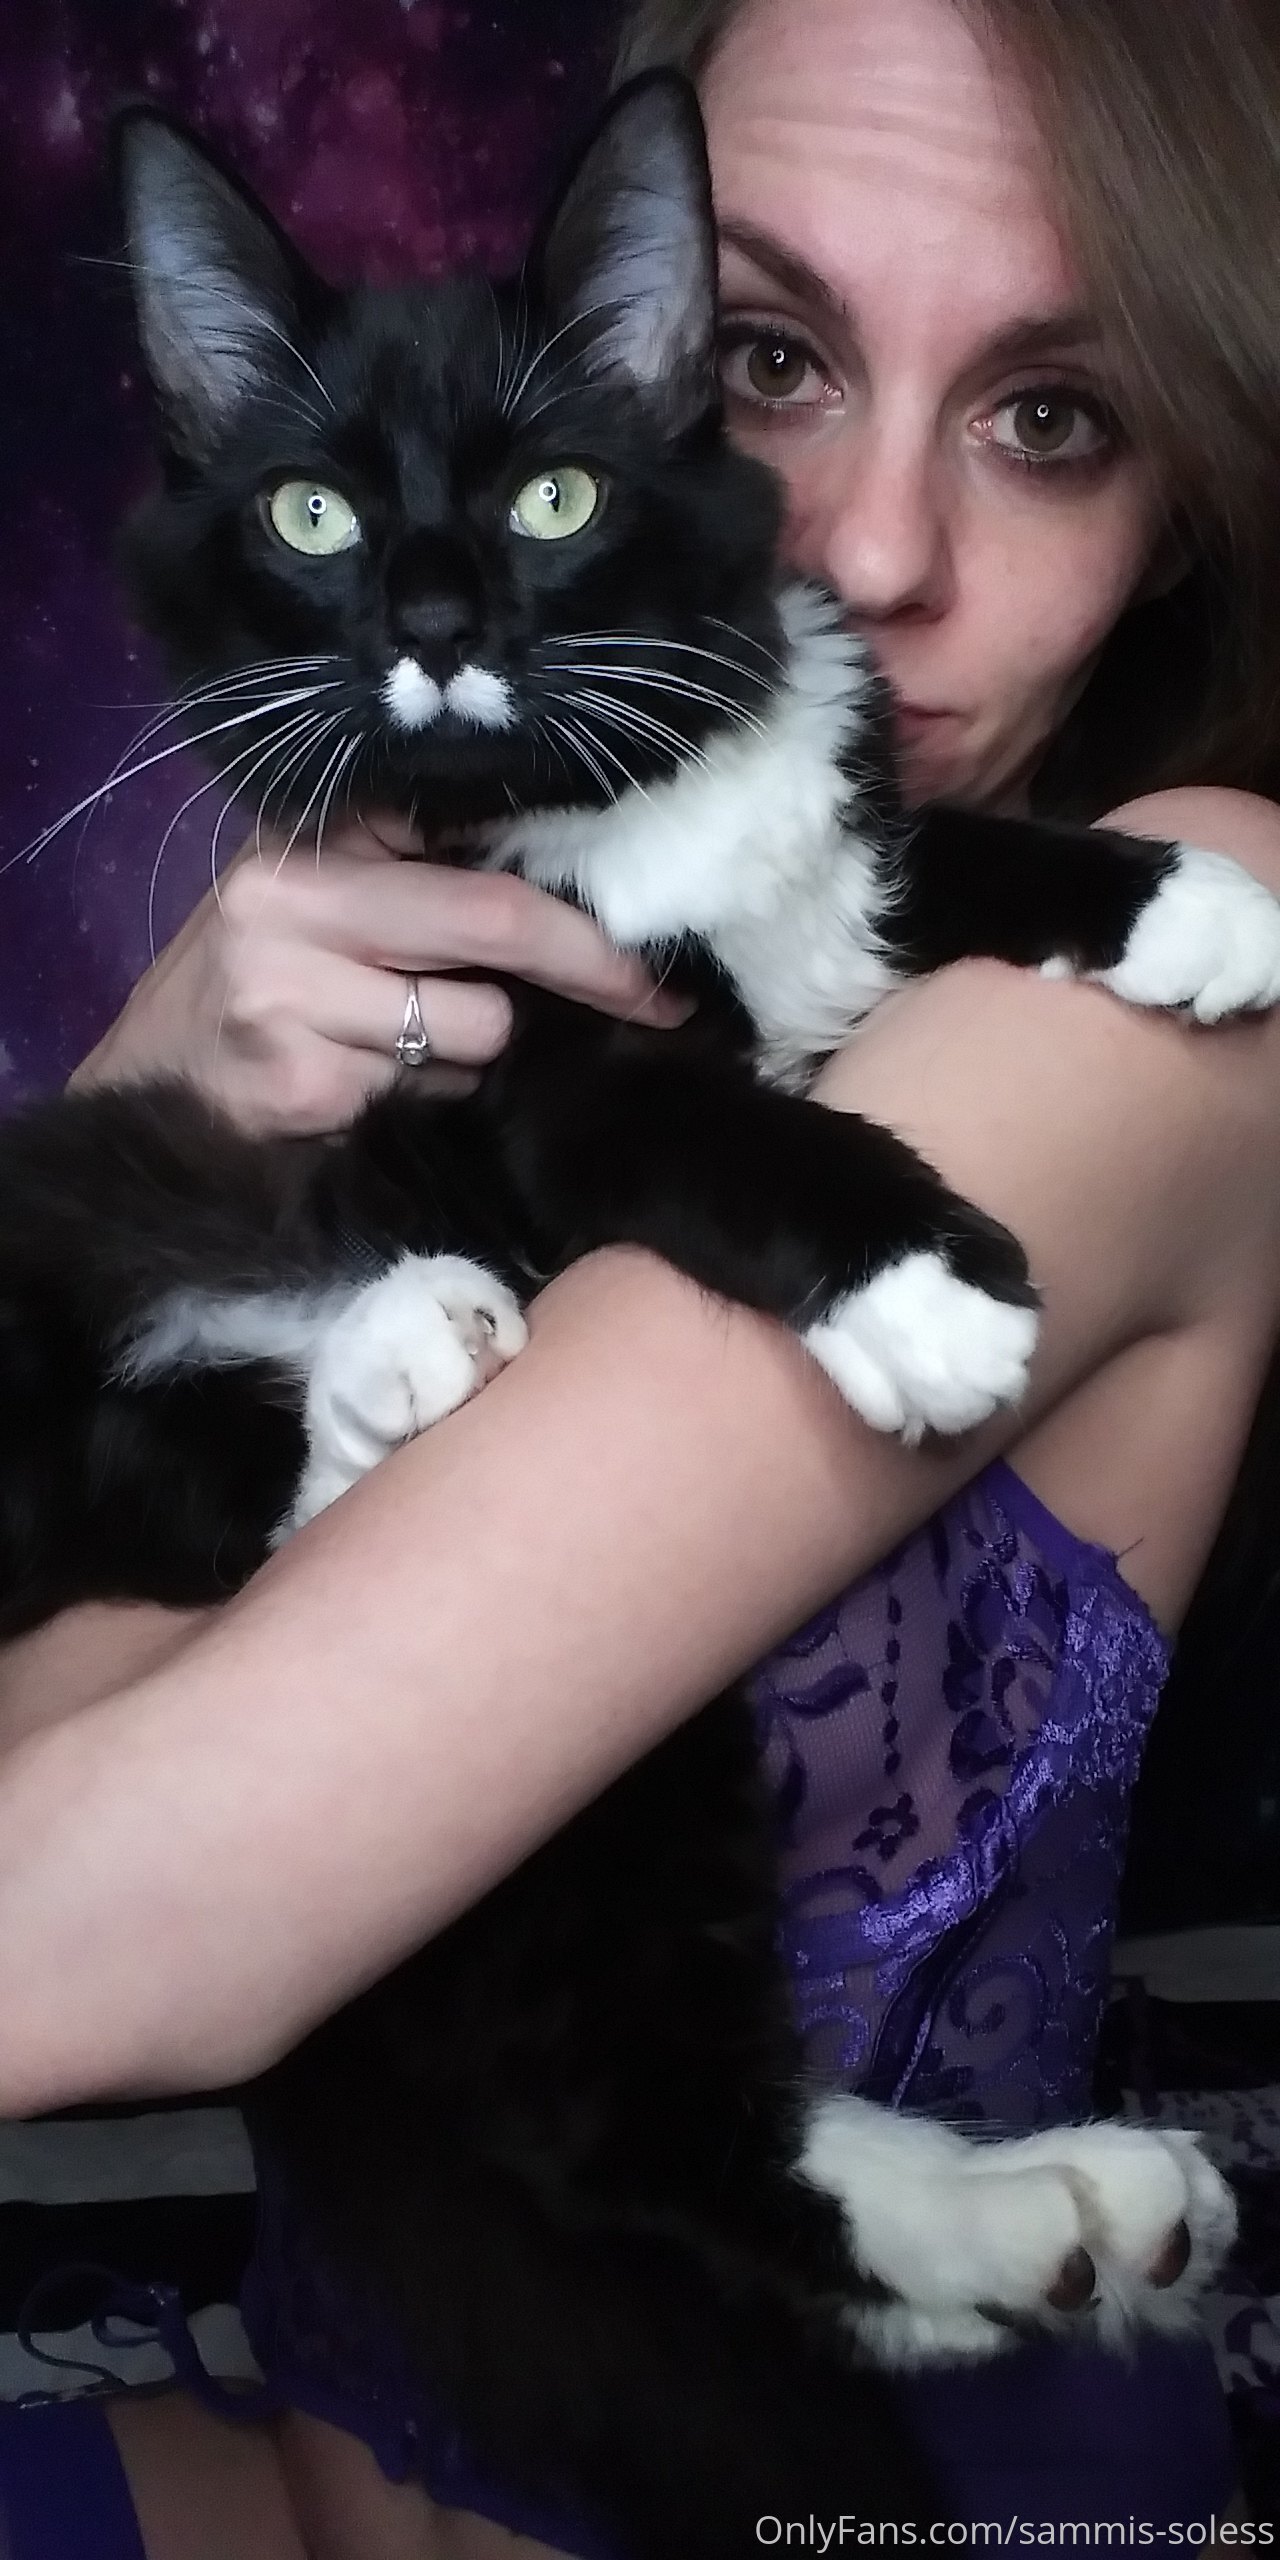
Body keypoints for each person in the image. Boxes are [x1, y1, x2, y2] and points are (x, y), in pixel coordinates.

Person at [2, 0, 1280, 2547]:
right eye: (774, 361)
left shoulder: (1155, 969)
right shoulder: (490, 941)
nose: (874, 555)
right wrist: (147, 1105)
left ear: (1179, 508)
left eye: (1050, 415)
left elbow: (92, 1930)